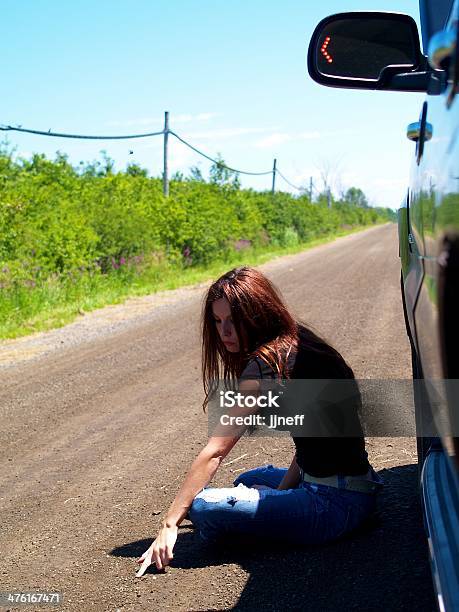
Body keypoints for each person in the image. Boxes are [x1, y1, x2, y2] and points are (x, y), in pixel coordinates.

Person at [136, 266, 383, 576]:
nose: (223, 332)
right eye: (217, 321)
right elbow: (311, 445)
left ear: (256, 316)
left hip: (334, 505)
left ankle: (249, 528)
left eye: (232, 322)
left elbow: (215, 451)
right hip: (357, 489)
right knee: (249, 478)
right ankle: (272, 511)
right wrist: (280, 493)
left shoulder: (266, 365)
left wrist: (170, 524)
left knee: (202, 508)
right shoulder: (298, 342)